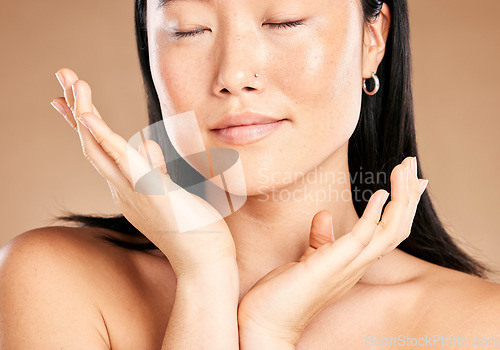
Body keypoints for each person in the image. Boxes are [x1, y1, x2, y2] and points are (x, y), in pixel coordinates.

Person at [1, 0, 499, 349]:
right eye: (188, 29)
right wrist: (205, 280)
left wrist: (268, 332)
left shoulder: (478, 327)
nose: (233, 74)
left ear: (373, 38)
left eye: (283, 21)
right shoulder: (54, 283)